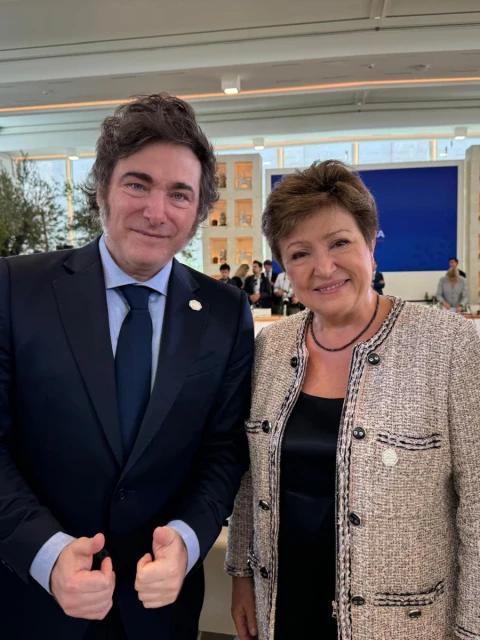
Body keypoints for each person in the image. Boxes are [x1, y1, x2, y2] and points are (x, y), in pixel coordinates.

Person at [0, 93, 254, 640]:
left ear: (198, 213)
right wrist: (45, 552)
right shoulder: (16, 289)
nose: (156, 212)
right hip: (33, 603)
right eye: (138, 184)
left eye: (179, 194)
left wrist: (187, 539)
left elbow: (224, 450)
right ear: (101, 190)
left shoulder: (225, 312)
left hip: (160, 607)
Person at [226, 160, 479, 640]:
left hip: (402, 623)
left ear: (371, 244)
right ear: (283, 267)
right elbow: (249, 478)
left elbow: (477, 506)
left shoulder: (451, 346)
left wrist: (472, 629)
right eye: (300, 253)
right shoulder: (270, 349)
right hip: (284, 603)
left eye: (340, 242)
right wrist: (241, 573)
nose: (323, 268)